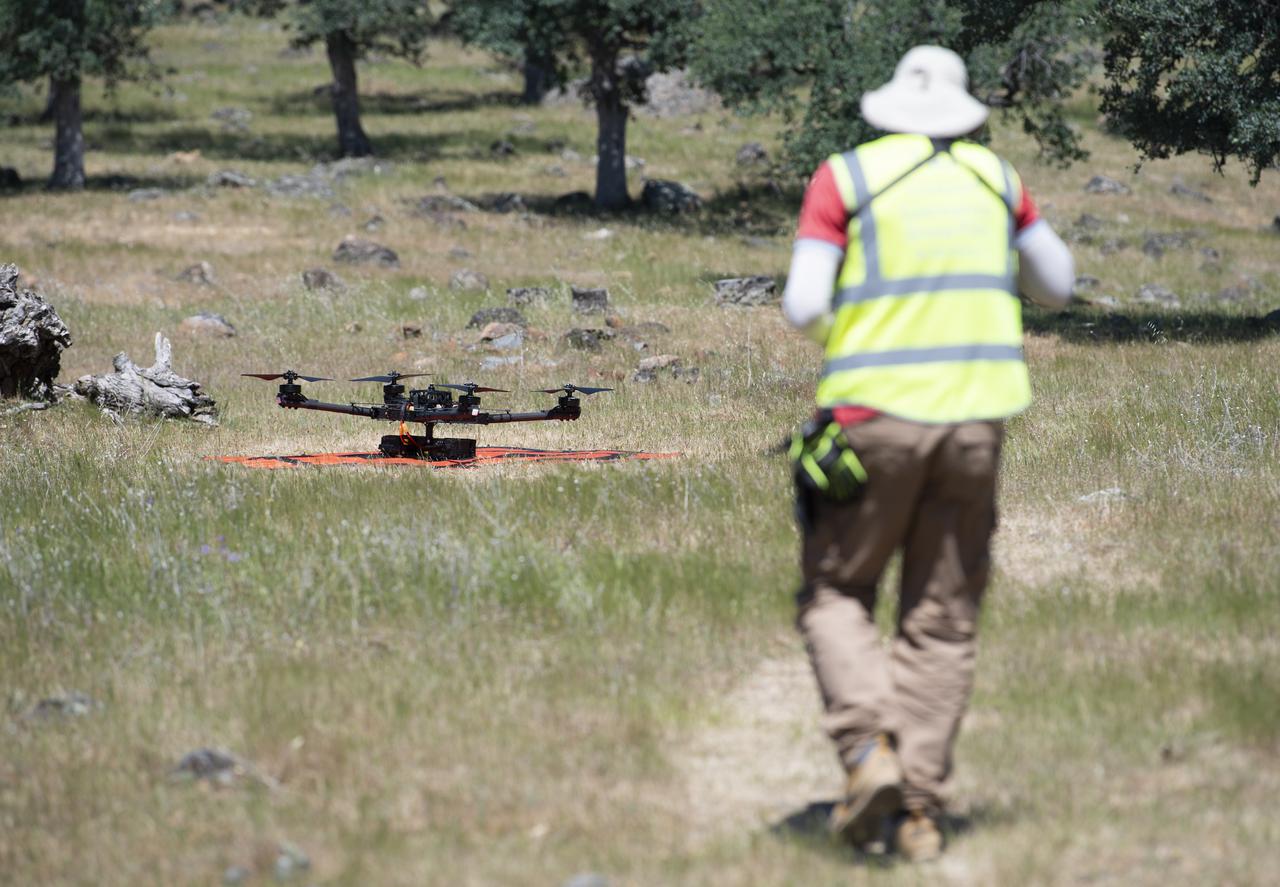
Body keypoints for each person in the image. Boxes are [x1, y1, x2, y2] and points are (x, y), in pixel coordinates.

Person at [781, 45, 1074, 861]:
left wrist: (855, 342)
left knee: (837, 590)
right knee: (942, 620)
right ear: (964, 111)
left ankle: (869, 750)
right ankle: (917, 811)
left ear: (886, 109)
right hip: (977, 425)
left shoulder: (846, 178)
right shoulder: (997, 180)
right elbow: (1057, 283)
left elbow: (804, 300)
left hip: (871, 417)